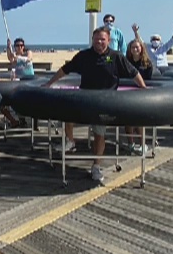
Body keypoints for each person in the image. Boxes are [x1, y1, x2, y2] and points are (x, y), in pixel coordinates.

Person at [43, 27, 148, 182]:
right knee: (65, 111)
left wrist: (144, 89)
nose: (99, 42)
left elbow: (134, 73)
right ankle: (70, 141)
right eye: (97, 39)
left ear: (108, 40)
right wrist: (49, 83)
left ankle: (96, 166)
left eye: (103, 39)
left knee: (99, 133)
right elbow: (65, 70)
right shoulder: (84, 56)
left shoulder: (116, 56)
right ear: (92, 40)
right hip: (85, 100)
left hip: (105, 103)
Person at [121, 39, 156, 157]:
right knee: (127, 120)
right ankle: (130, 143)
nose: (135, 49)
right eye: (133, 47)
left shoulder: (147, 64)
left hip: (141, 95)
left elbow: (148, 80)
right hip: (128, 94)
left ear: (141, 49)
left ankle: (142, 143)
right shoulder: (126, 62)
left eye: (137, 47)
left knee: (138, 120)